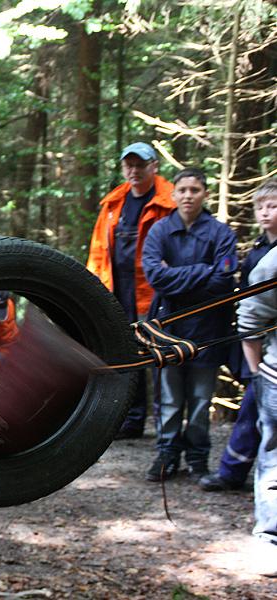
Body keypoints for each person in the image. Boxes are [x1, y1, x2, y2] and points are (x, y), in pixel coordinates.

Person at [141, 168, 238, 482]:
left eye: (194, 190)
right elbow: (155, 277)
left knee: (199, 399)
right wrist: (203, 271)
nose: (188, 196)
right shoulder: (159, 231)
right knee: (169, 398)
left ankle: (198, 458)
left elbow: (224, 281)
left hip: (208, 329)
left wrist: (177, 277)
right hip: (167, 328)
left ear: (205, 194)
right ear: (173, 194)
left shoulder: (221, 233)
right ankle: (167, 454)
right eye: (182, 190)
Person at [87, 142, 175, 439]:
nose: (134, 170)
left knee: (159, 353)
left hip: (153, 291)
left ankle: (165, 426)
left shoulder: (169, 201)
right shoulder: (113, 204)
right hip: (117, 288)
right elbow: (99, 250)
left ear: (154, 166)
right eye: (129, 165)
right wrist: (94, 287)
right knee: (125, 352)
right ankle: (131, 419)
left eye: (140, 165)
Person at [201, 179, 277, 491]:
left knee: (255, 409)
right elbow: (249, 306)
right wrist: (254, 364)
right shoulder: (258, 252)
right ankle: (232, 472)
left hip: (268, 351)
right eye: (261, 207)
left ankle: (233, 471)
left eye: (273, 206)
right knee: (252, 408)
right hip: (254, 347)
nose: (265, 212)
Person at [236, 242, 277, 577]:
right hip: (276, 378)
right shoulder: (273, 262)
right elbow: (250, 316)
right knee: (275, 464)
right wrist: (256, 374)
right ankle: (269, 540)